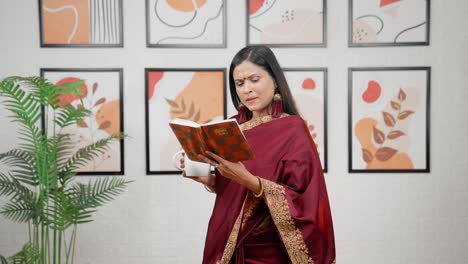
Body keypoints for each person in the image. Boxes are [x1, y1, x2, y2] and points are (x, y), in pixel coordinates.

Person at [181, 45, 335, 264]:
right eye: (240, 83)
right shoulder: (231, 128)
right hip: (228, 245)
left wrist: (248, 179)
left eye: (255, 79)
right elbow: (237, 194)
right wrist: (212, 181)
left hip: (271, 249)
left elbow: (303, 199)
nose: (247, 90)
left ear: (274, 78)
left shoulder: (292, 128)